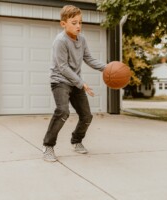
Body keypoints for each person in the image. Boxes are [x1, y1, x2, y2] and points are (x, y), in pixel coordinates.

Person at [42, 5, 106, 162]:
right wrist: (82, 83)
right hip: (60, 81)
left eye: (80, 22)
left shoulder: (82, 39)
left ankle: (76, 141)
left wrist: (107, 68)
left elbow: (89, 58)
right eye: (74, 22)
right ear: (64, 24)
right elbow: (63, 67)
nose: (78, 26)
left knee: (86, 116)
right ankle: (48, 146)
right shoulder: (60, 41)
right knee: (63, 111)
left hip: (76, 82)